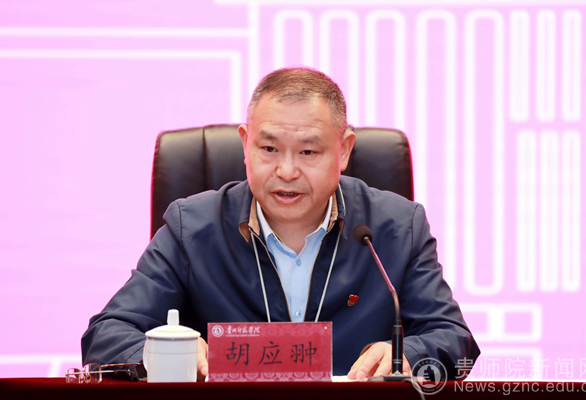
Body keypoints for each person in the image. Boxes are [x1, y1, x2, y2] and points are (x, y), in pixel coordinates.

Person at [82, 67, 479, 380]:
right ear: (245, 144)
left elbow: (453, 338)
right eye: (269, 148)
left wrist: (405, 355)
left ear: (343, 151)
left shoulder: (396, 228)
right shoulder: (192, 228)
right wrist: (168, 354)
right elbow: (107, 334)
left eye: (308, 152)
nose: (286, 171)